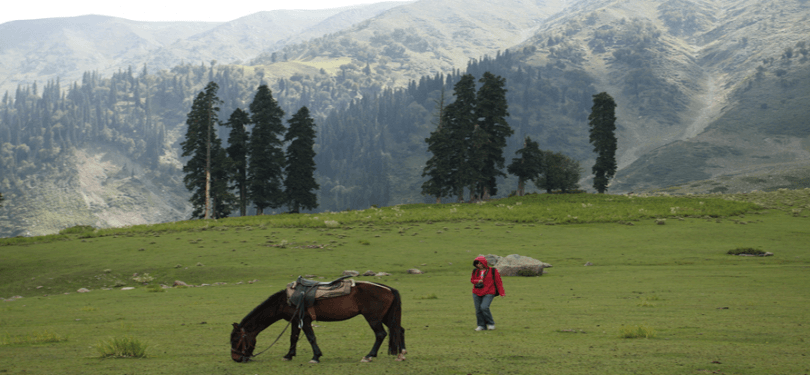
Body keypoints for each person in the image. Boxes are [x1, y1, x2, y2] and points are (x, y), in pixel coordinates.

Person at [470, 255, 505, 331]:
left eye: (480, 263)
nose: (478, 265)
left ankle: (491, 323)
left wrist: (502, 292)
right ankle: (481, 325)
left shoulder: (493, 270)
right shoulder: (475, 271)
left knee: (484, 307)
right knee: (478, 310)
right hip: (476, 292)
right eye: (477, 263)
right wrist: (477, 281)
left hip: (489, 292)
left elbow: (498, 282)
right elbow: (472, 280)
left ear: (484, 263)